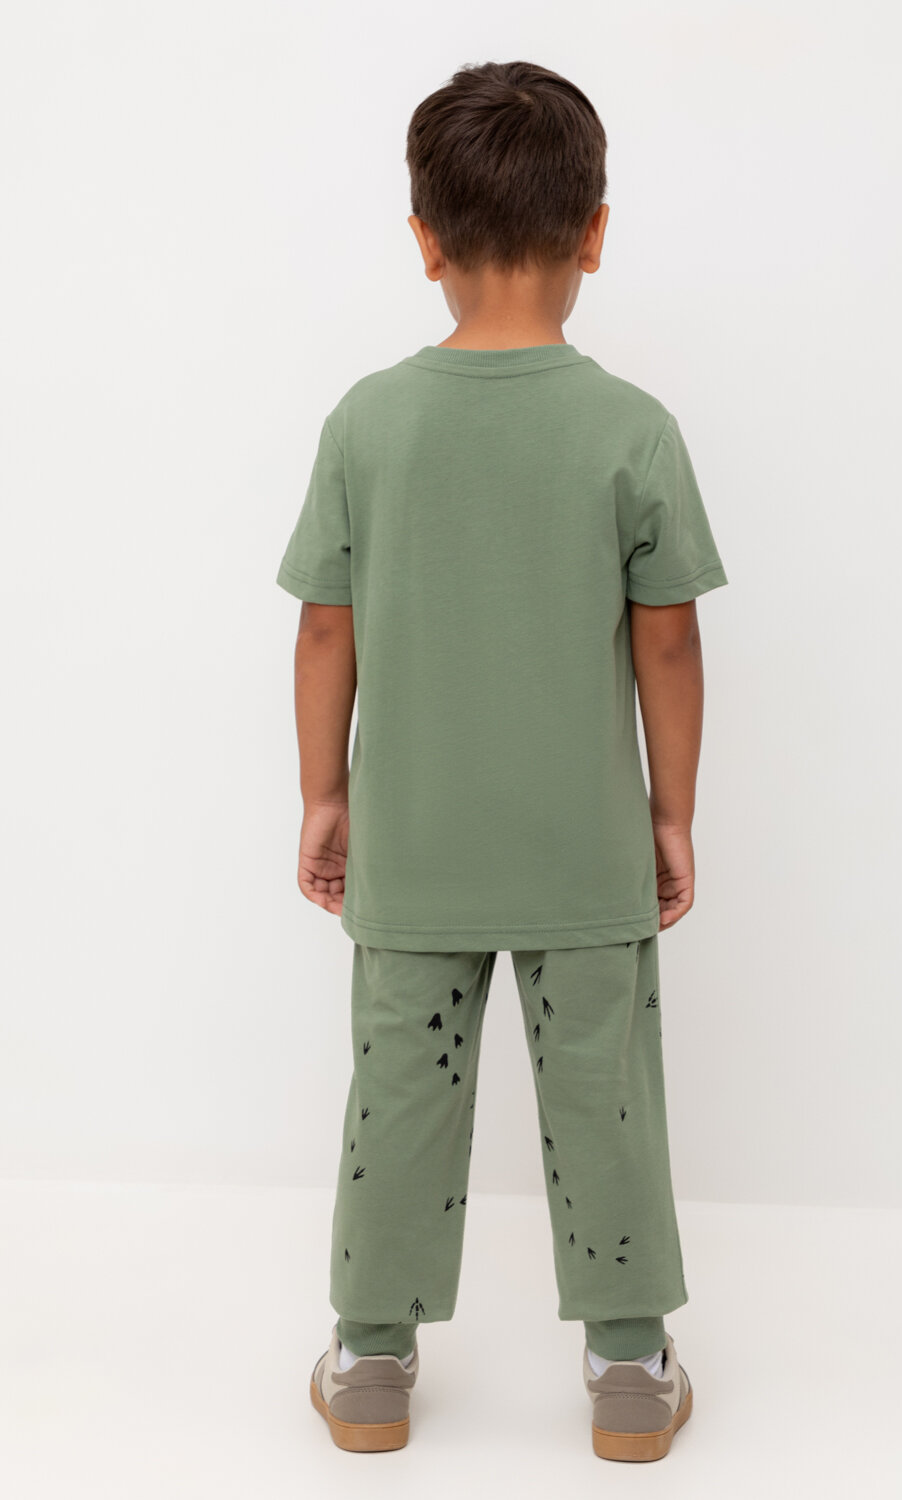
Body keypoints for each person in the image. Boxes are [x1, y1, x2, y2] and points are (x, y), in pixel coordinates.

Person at [276, 59, 729, 1463]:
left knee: (399, 1095)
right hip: (583, 850)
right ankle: (631, 1370)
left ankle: (370, 1362)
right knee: (606, 1097)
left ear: (424, 240)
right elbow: (668, 645)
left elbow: (325, 630)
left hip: (414, 847)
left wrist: (325, 792)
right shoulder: (631, 429)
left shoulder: (367, 422)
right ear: (594, 230)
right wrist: (670, 815)